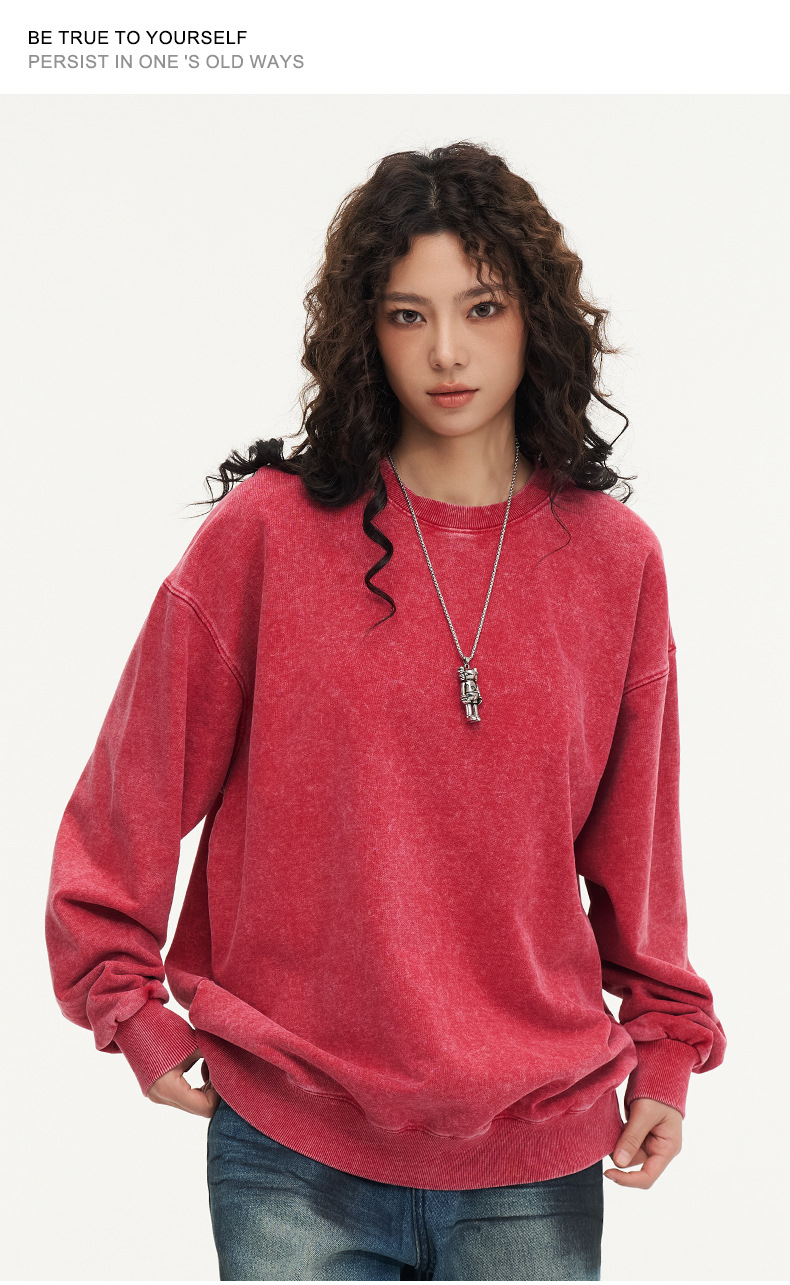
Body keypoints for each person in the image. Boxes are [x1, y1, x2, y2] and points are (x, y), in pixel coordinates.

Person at [45, 141, 727, 1282]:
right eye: (409, 315)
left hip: (533, 1147)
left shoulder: (616, 563)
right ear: (366, 331)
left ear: (536, 319)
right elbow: (129, 796)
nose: (447, 351)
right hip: (292, 1141)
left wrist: (664, 1047)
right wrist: (128, 1005)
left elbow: (641, 849)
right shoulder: (266, 538)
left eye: (482, 307)